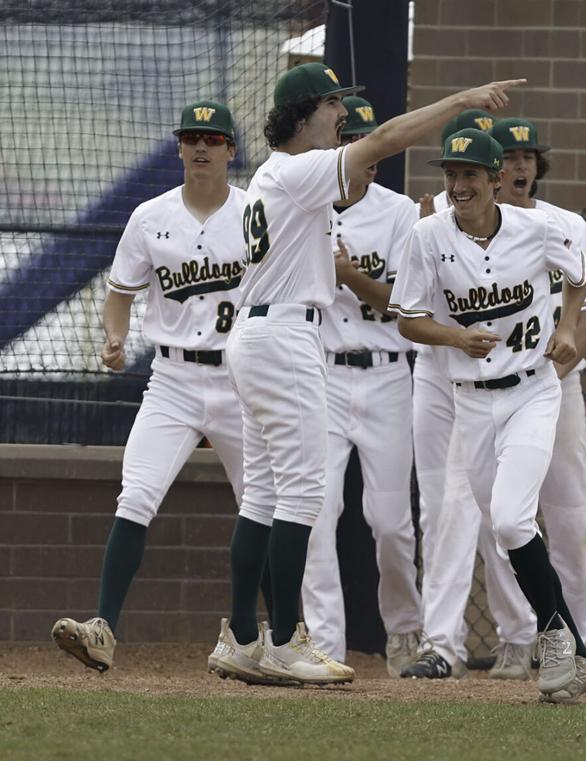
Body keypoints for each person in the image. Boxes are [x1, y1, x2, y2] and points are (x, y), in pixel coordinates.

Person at [206, 62, 522, 687]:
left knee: (268, 495)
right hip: (287, 335)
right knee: (300, 495)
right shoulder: (298, 169)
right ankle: (288, 640)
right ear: (302, 113)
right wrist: (460, 98)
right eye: (331, 106)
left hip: (259, 331)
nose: (341, 116)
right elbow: (385, 141)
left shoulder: (278, 175)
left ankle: (244, 637)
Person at [390, 128, 586, 702]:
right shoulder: (427, 236)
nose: (459, 185)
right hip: (470, 402)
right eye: (452, 175)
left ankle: (555, 639)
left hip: (532, 392)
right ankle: (578, 654)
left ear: (496, 180)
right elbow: (408, 319)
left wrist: (564, 326)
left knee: (511, 520)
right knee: (504, 530)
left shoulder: (536, 228)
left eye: (470, 176)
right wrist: (457, 336)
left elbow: (579, 272)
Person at [51, 101, 248, 673]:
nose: (201, 148)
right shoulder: (149, 215)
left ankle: (250, 636)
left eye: (213, 138)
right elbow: (120, 294)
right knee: (135, 495)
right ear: (180, 147)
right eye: (191, 138)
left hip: (241, 377)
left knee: (263, 506)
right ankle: (103, 628)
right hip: (173, 379)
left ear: (232, 149)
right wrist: (114, 339)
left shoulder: (256, 211)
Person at [297, 96, 422, 676]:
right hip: (321, 371)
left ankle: (404, 632)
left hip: (387, 374)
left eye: (376, 146)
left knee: (391, 523)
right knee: (318, 514)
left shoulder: (399, 213)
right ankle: (324, 645)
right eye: (360, 145)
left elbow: (403, 305)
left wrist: (348, 274)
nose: (371, 158)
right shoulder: (304, 202)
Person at [491, 116, 586, 663]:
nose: (520, 165)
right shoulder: (464, 228)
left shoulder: (566, 223)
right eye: (508, 156)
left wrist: (550, 379)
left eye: (527, 156)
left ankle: (583, 638)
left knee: (569, 512)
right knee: (502, 516)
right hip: (491, 390)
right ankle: (522, 639)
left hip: (555, 387)